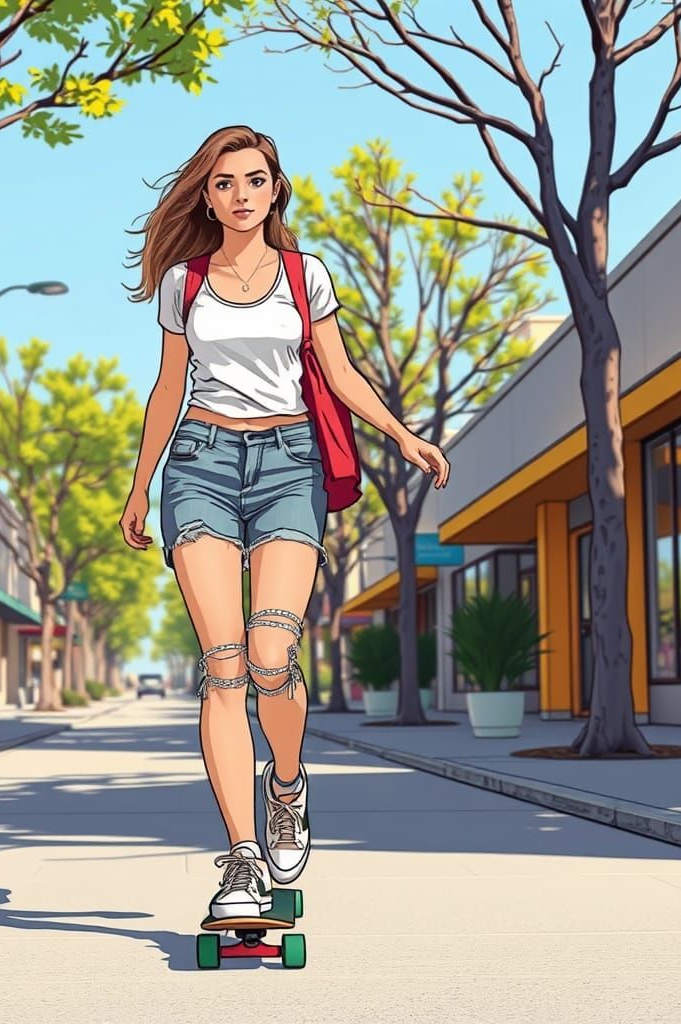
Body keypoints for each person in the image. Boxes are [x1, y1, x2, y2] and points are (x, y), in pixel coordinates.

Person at [120, 126, 450, 921]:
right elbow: (169, 387)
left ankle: (288, 786)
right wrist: (141, 486)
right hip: (199, 461)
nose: (239, 195)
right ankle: (239, 859)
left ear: (276, 190)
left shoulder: (306, 275)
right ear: (207, 195)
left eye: (254, 180)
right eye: (224, 183)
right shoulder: (182, 282)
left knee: (273, 655)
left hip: (289, 465)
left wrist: (402, 435)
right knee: (223, 666)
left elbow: (336, 373)